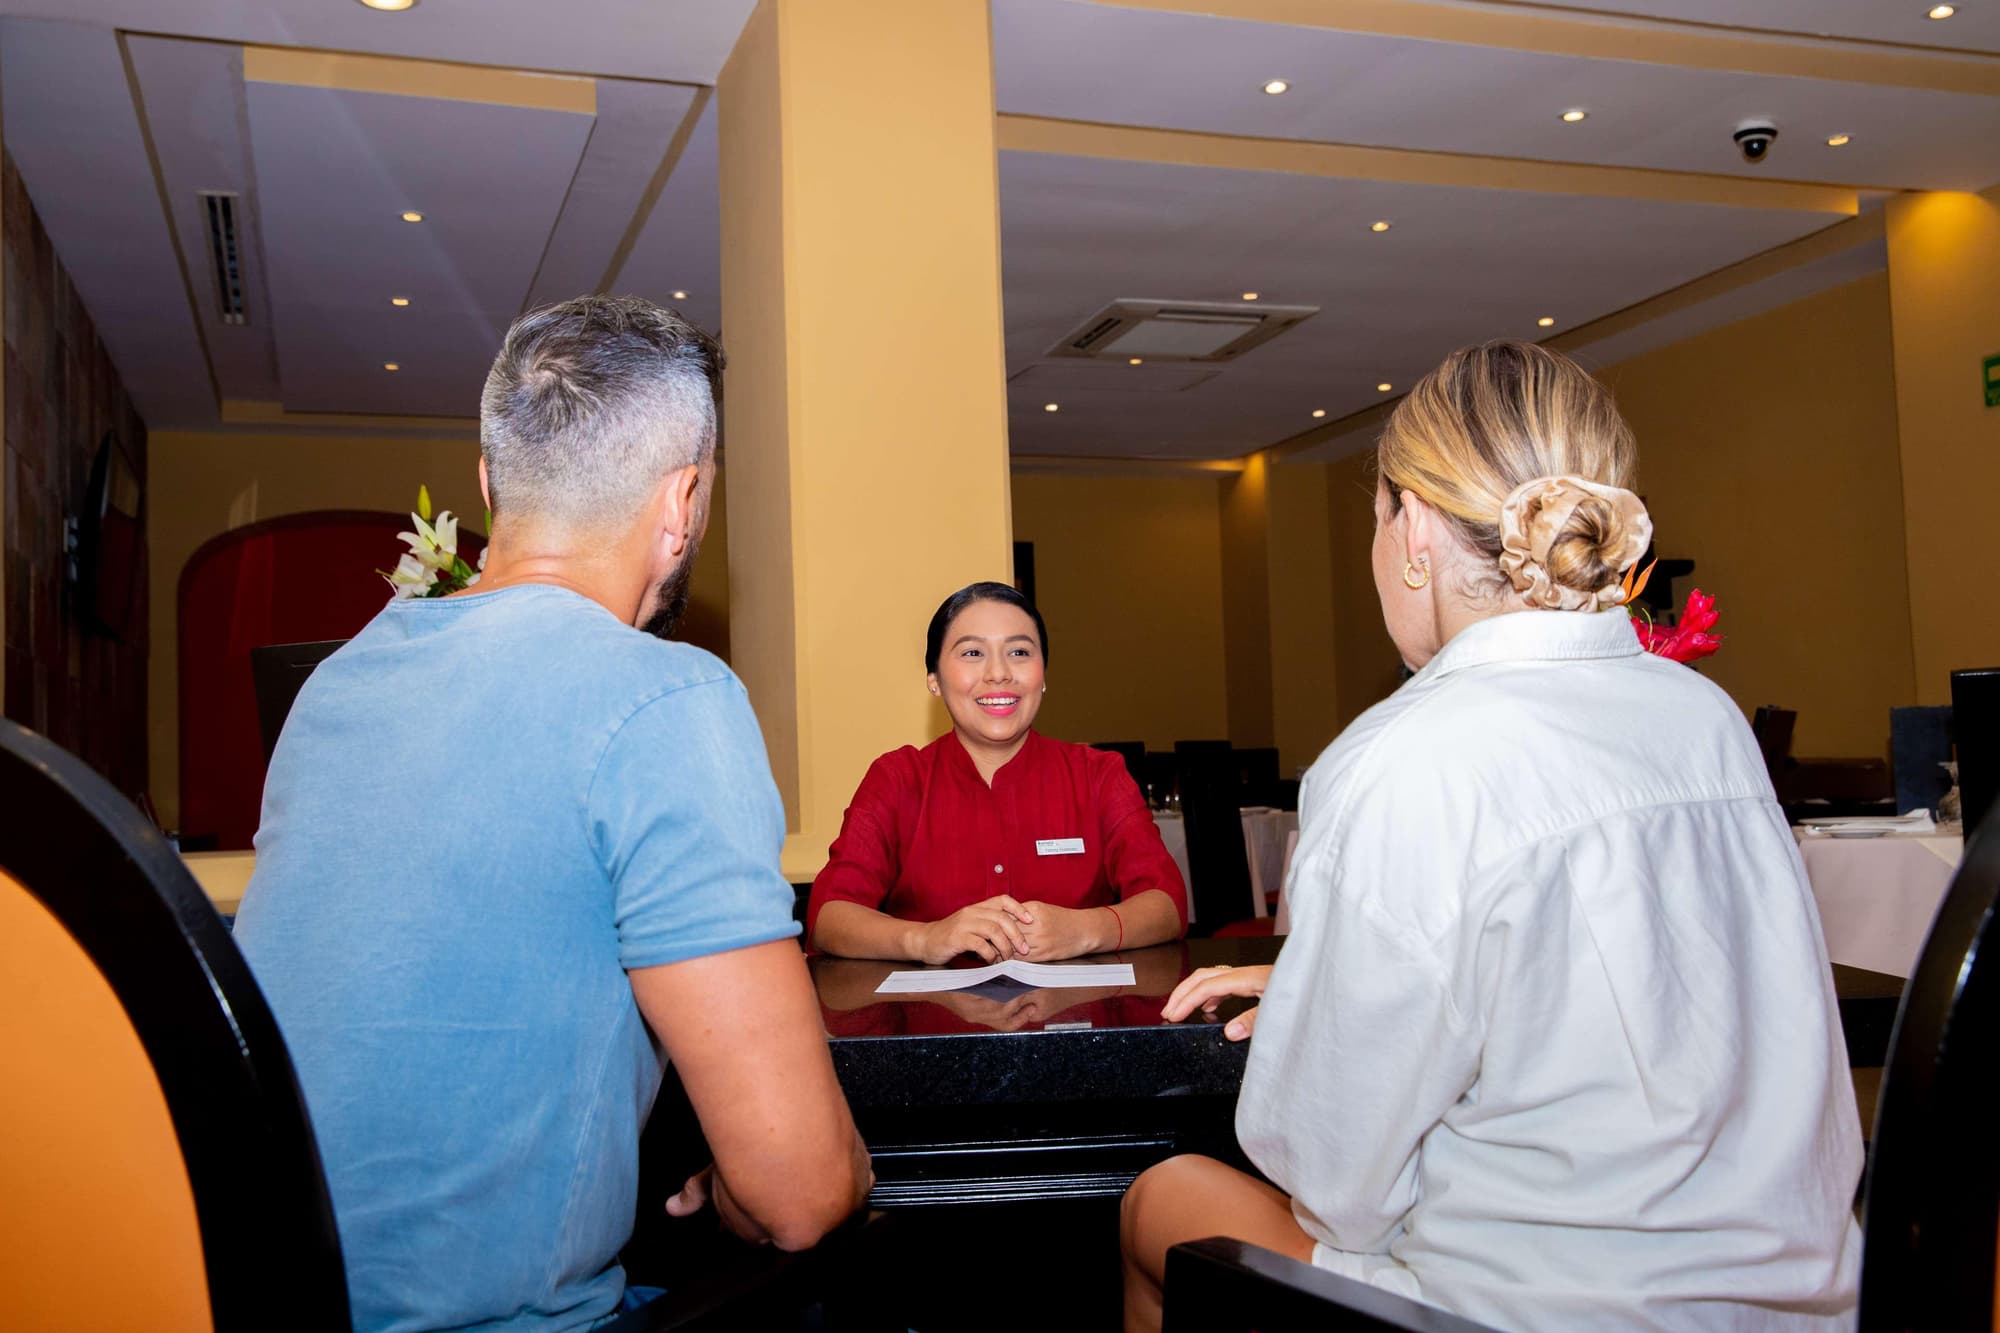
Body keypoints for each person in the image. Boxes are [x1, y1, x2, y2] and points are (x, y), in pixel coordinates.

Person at [1120, 341, 1861, 1331]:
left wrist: (1317, 1018)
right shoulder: (1705, 719)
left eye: (1375, 514)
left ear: (1411, 524)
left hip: (1532, 1315)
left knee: (1158, 1200)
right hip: (1791, 1305)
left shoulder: (1401, 757)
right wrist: (1324, 978)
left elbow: (1335, 1179)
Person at [235, 296, 872, 1332]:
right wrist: (771, 1176)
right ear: (681, 503)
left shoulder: (336, 686)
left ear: (489, 485)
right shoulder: (668, 699)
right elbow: (802, 1196)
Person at [807, 581, 1187, 963]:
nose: (999, 673)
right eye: (972, 652)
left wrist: (1086, 930)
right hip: (936, 1018)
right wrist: (924, 939)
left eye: (1019, 652)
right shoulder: (897, 779)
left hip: (1078, 1014)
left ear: (1044, 674)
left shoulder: (1098, 775)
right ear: (934, 679)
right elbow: (829, 915)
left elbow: (1166, 904)